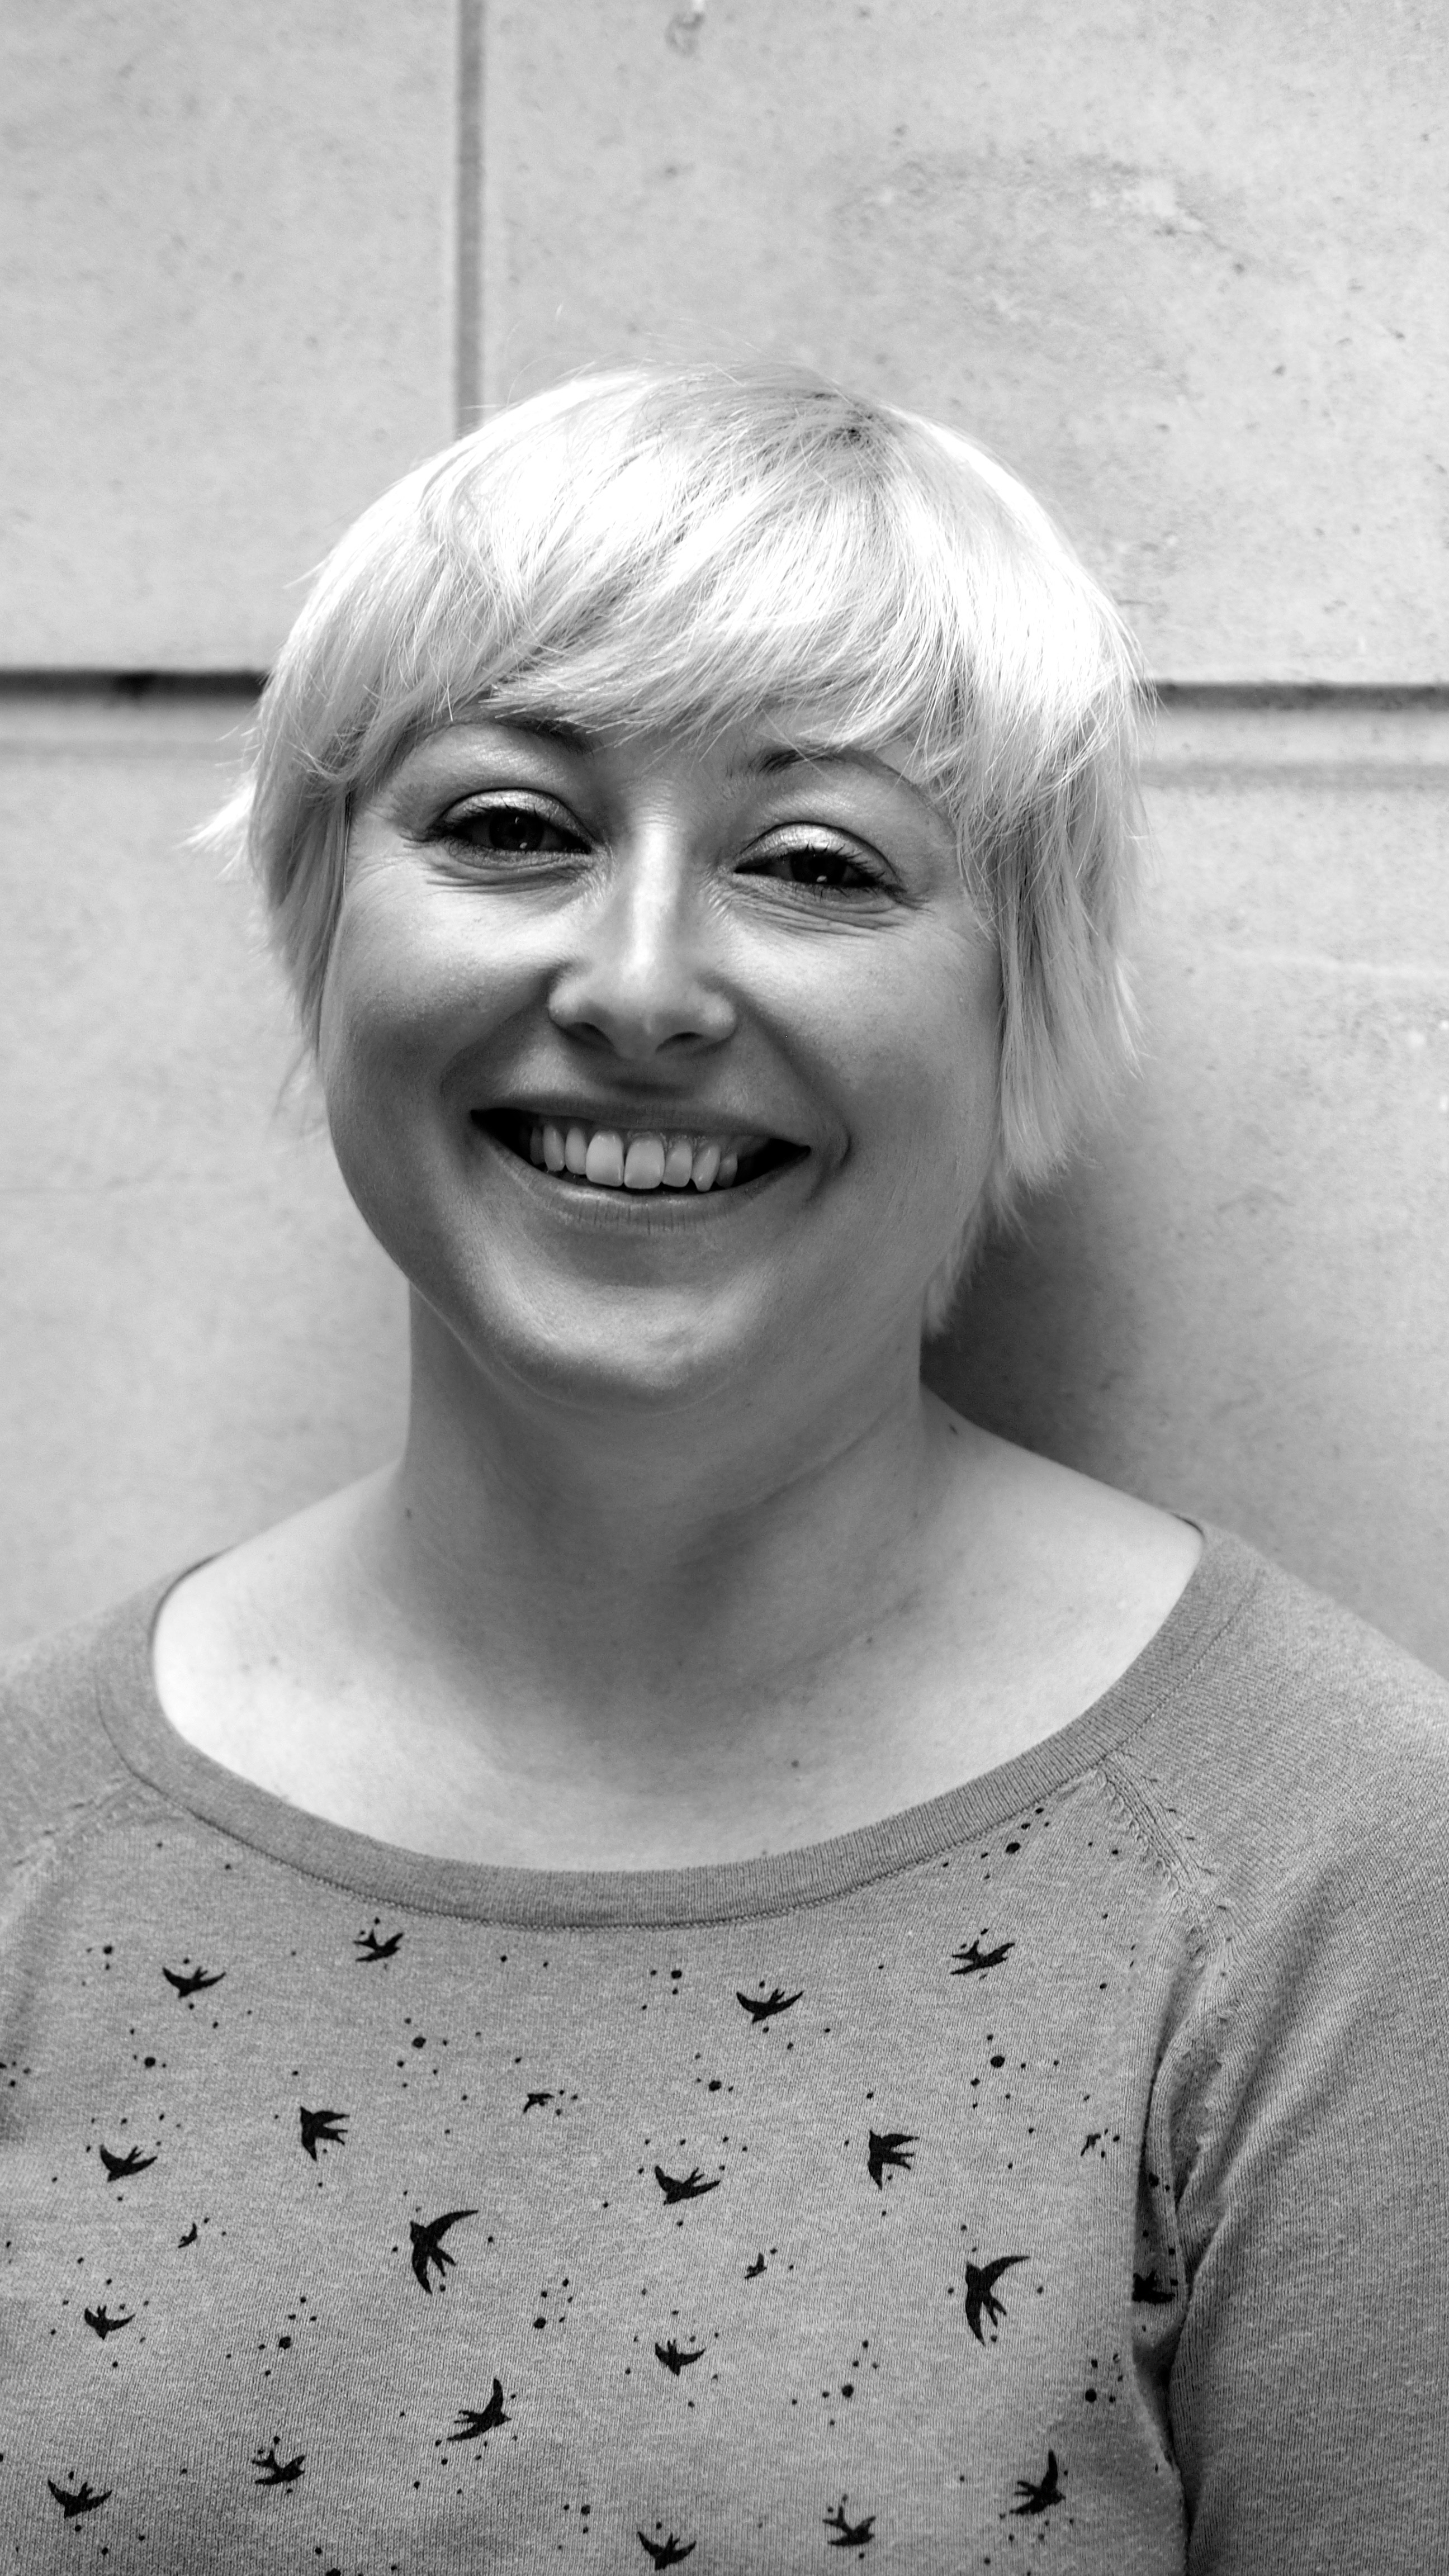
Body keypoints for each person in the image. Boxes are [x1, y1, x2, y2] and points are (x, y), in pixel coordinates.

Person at [2, 366, 1446, 2575]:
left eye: (814, 862)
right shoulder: (31, 1848)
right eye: (512, 826)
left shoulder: (1339, 1877)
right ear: (320, 924)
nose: (643, 984)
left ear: (1023, 1005)